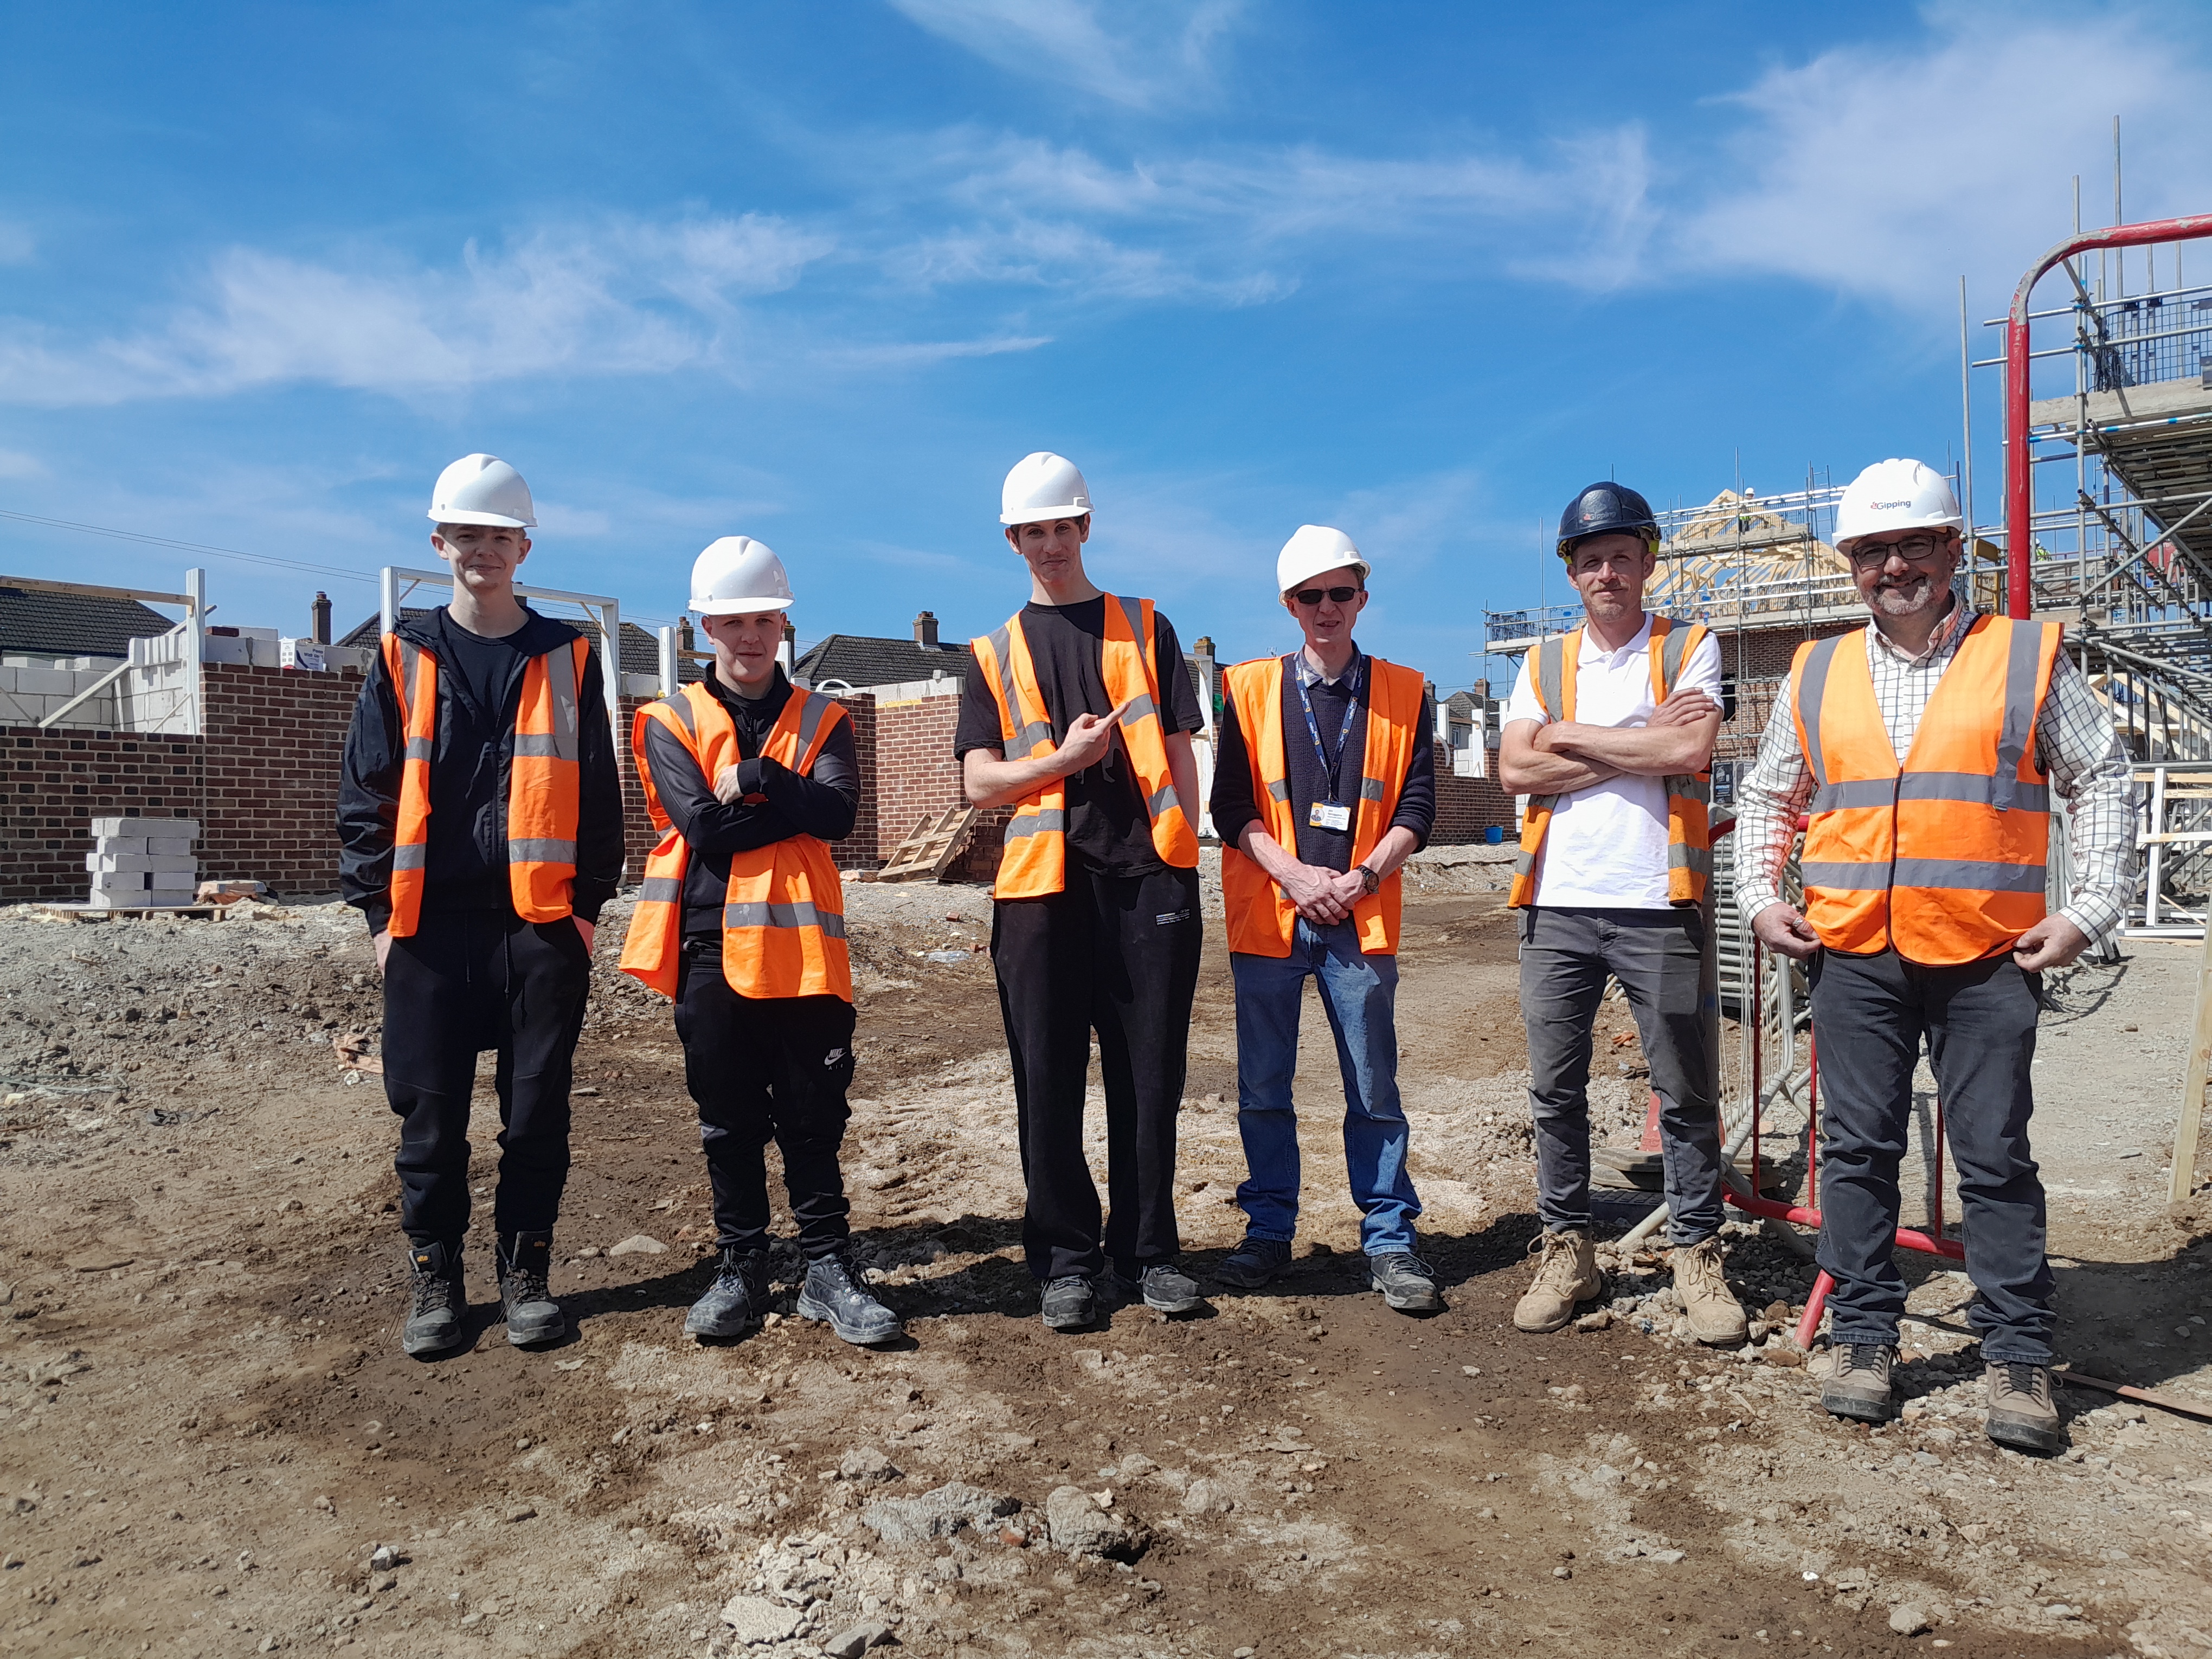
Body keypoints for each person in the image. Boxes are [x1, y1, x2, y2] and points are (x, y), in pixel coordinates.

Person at [1736, 458, 2131, 1451]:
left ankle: (2017, 1353)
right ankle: (1868, 1334)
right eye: (1873, 551)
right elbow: (1769, 795)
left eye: (1916, 544)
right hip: (1858, 954)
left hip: (1988, 957)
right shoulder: (1817, 670)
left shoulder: (2025, 656)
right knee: (1856, 1151)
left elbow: (2107, 781)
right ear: (1851, 566)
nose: (1894, 566)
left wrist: (2087, 913)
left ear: (1957, 550)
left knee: (1995, 1156)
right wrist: (1755, 898)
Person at [338, 454, 623, 1356]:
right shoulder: (401, 651)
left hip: (540, 926)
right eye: (467, 535)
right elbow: (364, 794)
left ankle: (526, 1270)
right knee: (429, 1117)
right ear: (439, 542)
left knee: (536, 1113)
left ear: (524, 546)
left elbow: (601, 797)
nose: (484, 551)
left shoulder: (569, 653)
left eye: (500, 536)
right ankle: (436, 1282)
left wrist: (584, 914)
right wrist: (379, 919)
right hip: (428, 927)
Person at [619, 537, 900, 1347]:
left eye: (764, 621)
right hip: (708, 946)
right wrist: (793, 799)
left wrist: (765, 779)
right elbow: (703, 827)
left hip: (806, 953)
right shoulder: (668, 720)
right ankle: (741, 1266)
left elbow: (842, 818)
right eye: (731, 621)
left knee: (815, 1118)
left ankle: (826, 1266)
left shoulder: (826, 716)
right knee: (728, 1120)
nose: (748, 637)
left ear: (785, 624)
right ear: (704, 626)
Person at [957, 452, 1207, 1329]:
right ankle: (1066, 1260)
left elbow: (1179, 749)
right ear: (1013, 539)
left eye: (1062, 527)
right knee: (1048, 1077)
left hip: (1148, 882)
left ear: (1084, 527)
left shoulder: (1146, 626)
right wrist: (1062, 762)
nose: (1050, 543)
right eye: (1034, 531)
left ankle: (1150, 1252)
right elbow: (979, 785)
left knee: (1149, 1077)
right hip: (1038, 892)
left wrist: (1180, 859)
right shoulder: (990, 652)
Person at [1499, 481, 1745, 1345]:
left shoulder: (1689, 647)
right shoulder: (1544, 663)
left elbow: (1688, 749)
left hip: (1656, 900)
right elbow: (1515, 775)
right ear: (1573, 572)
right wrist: (1632, 745)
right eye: (1590, 558)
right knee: (1554, 1090)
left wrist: (1566, 736)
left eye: (1621, 555)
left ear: (1647, 561)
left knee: (1685, 1089)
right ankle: (1568, 1247)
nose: (1607, 571)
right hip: (1558, 903)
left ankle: (1696, 1251)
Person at [1209, 526, 1441, 1309]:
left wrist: (1361, 875)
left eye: (1341, 593)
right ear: (1289, 605)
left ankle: (1389, 1240)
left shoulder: (1406, 691)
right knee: (1264, 1088)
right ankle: (1269, 1232)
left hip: (1359, 916)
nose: (1327, 608)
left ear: (1362, 599)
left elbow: (1418, 806)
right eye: (1311, 596)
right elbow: (1230, 806)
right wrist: (1297, 875)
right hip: (1271, 918)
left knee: (1373, 1087)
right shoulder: (1243, 689)